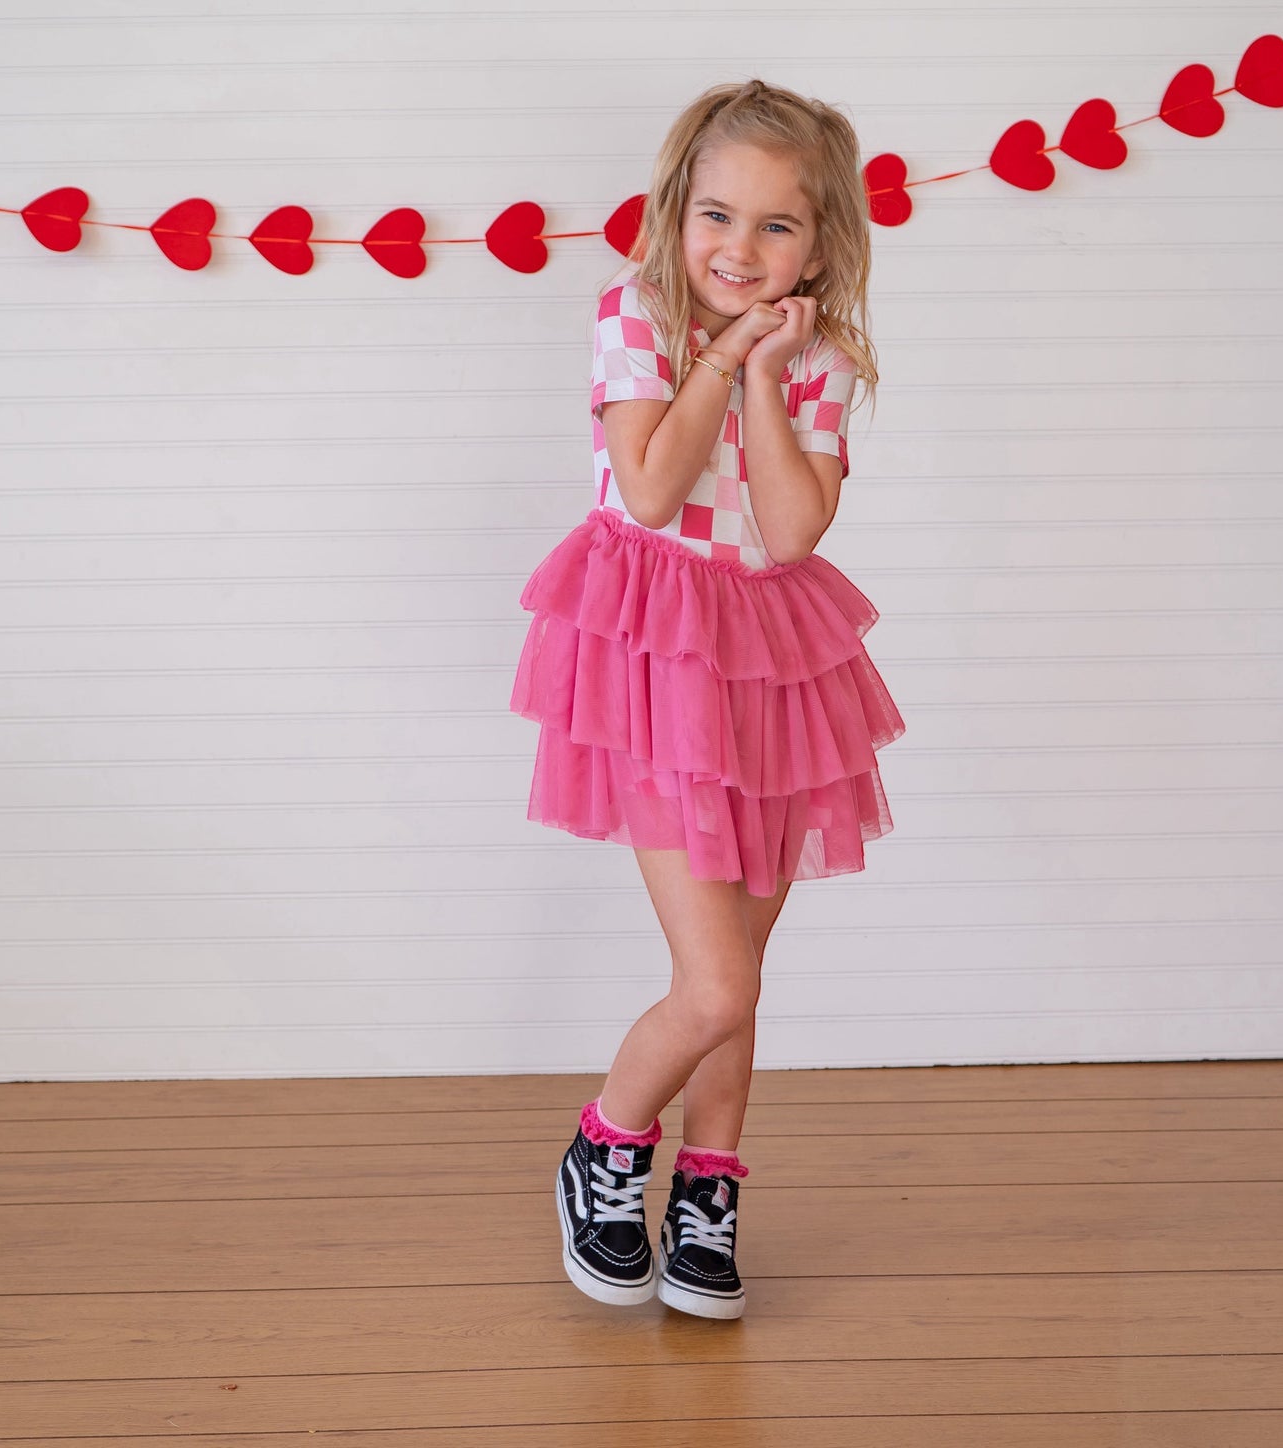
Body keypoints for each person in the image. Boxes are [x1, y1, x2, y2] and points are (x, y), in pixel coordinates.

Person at [508, 78, 906, 1320]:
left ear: (822, 240)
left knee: (742, 962)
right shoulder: (634, 316)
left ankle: (708, 1186)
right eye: (716, 215)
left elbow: (787, 530)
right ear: (676, 211)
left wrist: (768, 376)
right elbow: (645, 488)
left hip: (773, 655)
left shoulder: (823, 359)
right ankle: (605, 1142)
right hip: (651, 648)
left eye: (776, 227)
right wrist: (724, 352)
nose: (739, 248)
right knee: (716, 981)